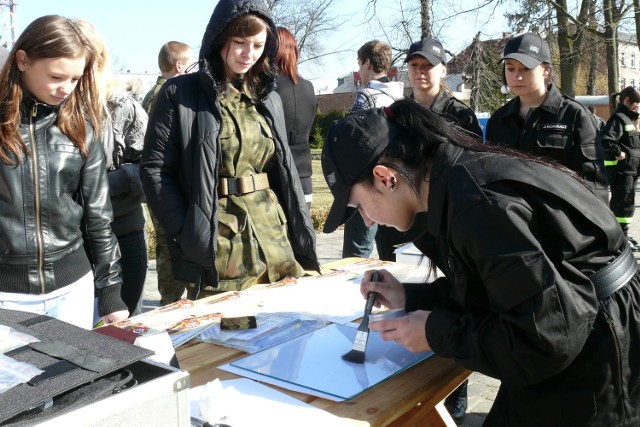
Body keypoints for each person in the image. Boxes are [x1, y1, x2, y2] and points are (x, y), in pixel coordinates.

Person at [321, 100, 640, 426]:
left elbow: (543, 338)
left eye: (359, 206)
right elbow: (503, 287)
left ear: (386, 178)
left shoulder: (475, 201)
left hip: (596, 349)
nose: (368, 219)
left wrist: (435, 332)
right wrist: (413, 298)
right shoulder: (455, 177)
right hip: (579, 322)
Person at [141, 0, 320, 298]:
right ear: (219, 38)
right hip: (222, 248)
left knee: (285, 322)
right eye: (240, 42)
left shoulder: (268, 97)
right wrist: (189, 232)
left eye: (258, 44)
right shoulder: (180, 94)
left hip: (275, 237)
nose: (249, 54)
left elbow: (283, 170)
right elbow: (156, 171)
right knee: (227, 336)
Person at [0, 15, 129, 329]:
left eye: (74, 79)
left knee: (72, 379)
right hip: (5, 296)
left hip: (73, 291)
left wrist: (111, 292)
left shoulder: (82, 128)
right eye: (57, 76)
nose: (66, 89)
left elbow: (99, 217)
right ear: (22, 60)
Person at [375, 37, 483, 262]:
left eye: (428, 65)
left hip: (443, 218)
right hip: (400, 217)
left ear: (443, 70)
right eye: (414, 65)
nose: (420, 71)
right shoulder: (396, 114)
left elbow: (472, 173)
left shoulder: (461, 117)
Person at [486, 32, 609, 203]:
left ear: (546, 70)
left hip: (560, 222)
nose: (517, 76)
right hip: (510, 222)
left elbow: (594, 185)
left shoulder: (574, 116)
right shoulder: (499, 120)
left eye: (525, 68)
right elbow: (490, 177)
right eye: (510, 68)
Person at [141, 40, 193, 306]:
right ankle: (172, 301)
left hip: (155, 182)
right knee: (172, 244)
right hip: (171, 181)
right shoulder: (174, 93)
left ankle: (170, 299)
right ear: (180, 64)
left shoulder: (151, 94)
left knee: (165, 245)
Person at [342, 39, 404, 259]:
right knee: (390, 250)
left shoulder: (366, 97)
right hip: (395, 184)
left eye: (359, 64)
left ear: (367, 63)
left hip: (368, 183)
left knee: (356, 251)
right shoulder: (400, 96)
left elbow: (354, 143)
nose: (359, 70)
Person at [274, 27, 316, 209]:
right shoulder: (308, 87)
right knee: (303, 234)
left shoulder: (268, 89)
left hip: (275, 174)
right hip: (304, 172)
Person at [601, 86, 640, 251]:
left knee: (626, 206)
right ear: (626, 101)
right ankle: (618, 242)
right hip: (621, 172)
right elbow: (606, 140)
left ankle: (623, 237)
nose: (638, 105)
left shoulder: (629, 119)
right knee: (621, 207)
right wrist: (619, 154)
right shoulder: (619, 118)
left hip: (630, 171)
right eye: (636, 102)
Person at [141, 41, 193, 114]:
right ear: (179, 66)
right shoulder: (165, 93)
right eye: (191, 66)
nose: (193, 71)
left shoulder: (160, 91)